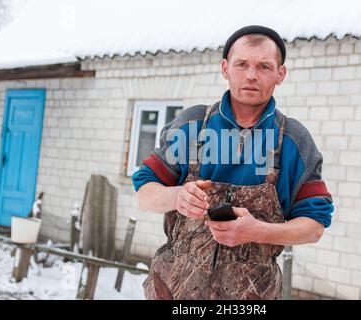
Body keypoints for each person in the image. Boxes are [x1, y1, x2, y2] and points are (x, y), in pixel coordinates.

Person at [132, 25, 334, 300]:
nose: (251, 75)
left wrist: (258, 231)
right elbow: (145, 195)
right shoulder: (192, 126)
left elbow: (314, 227)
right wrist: (177, 196)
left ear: (280, 74)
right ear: (225, 68)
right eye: (242, 64)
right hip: (172, 292)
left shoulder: (293, 141)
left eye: (264, 66)